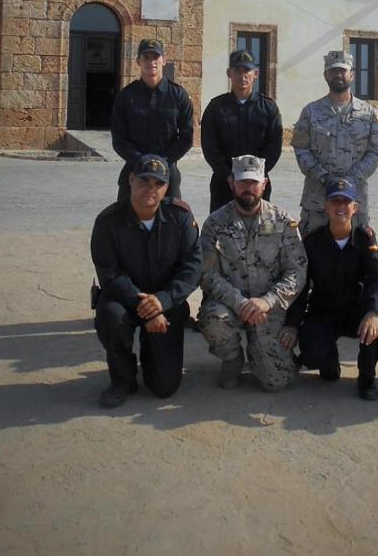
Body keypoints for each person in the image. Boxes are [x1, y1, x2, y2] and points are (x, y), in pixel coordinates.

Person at [90, 154, 202, 408]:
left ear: (166, 187)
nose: (150, 189)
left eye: (158, 184)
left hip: (166, 301)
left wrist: (162, 301)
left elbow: (192, 267)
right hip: (125, 299)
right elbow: (109, 273)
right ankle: (122, 379)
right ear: (130, 180)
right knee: (110, 316)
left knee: (163, 388)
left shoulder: (180, 216)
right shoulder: (108, 221)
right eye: (144, 181)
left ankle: (156, 364)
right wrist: (145, 306)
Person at [199, 154, 307, 391]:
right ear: (231, 183)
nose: (249, 188)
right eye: (243, 181)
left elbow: (297, 272)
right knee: (214, 321)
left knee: (276, 382)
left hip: (268, 309)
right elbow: (207, 275)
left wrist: (267, 301)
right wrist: (240, 303)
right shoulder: (214, 225)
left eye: (254, 182)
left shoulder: (283, 222)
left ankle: (260, 353)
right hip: (229, 305)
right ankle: (232, 358)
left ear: (265, 184)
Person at [281, 177, 378, 401]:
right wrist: (293, 324)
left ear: (355, 208)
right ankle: (329, 362)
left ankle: (367, 377)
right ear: (326, 207)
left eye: (346, 202)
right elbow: (301, 286)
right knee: (315, 354)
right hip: (324, 310)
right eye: (335, 201)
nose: (340, 207)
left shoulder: (364, 239)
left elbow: (375, 277)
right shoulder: (312, 242)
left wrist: (373, 312)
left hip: (355, 309)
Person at [291, 50, 378, 236]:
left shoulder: (367, 113)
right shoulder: (310, 112)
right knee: (313, 253)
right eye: (333, 71)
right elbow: (301, 150)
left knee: (355, 252)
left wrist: (351, 179)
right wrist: (324, 177)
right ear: (326, 76)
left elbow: (375, 152)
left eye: (343, 71)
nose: (338, 75)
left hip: (354, 201)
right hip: (317, 199)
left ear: (352, 75)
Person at [110, 38, 194, 202]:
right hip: (135, 168)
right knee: (123, 221)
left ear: (164, 60)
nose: (151, 62)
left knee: (174, 219)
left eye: (155, 58)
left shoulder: (178, 96)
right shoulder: (126, 96)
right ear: (138, 62)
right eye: (146, 58)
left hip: (168, 169)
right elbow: (119, 139)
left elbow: (186, 137)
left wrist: (163, 161)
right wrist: (141, 160)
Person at [200, 49, 283, 212]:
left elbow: (274, 146)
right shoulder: (216, 107)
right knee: (222, 231)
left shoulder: (268, 108)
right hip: (224, 183)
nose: (242, 75)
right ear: (229, 73)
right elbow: (209, 146)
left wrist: (257, 175)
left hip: (257, 184)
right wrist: (228, 175)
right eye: (237, 70)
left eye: (247, 70)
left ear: (256, 73)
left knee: (257, 231)